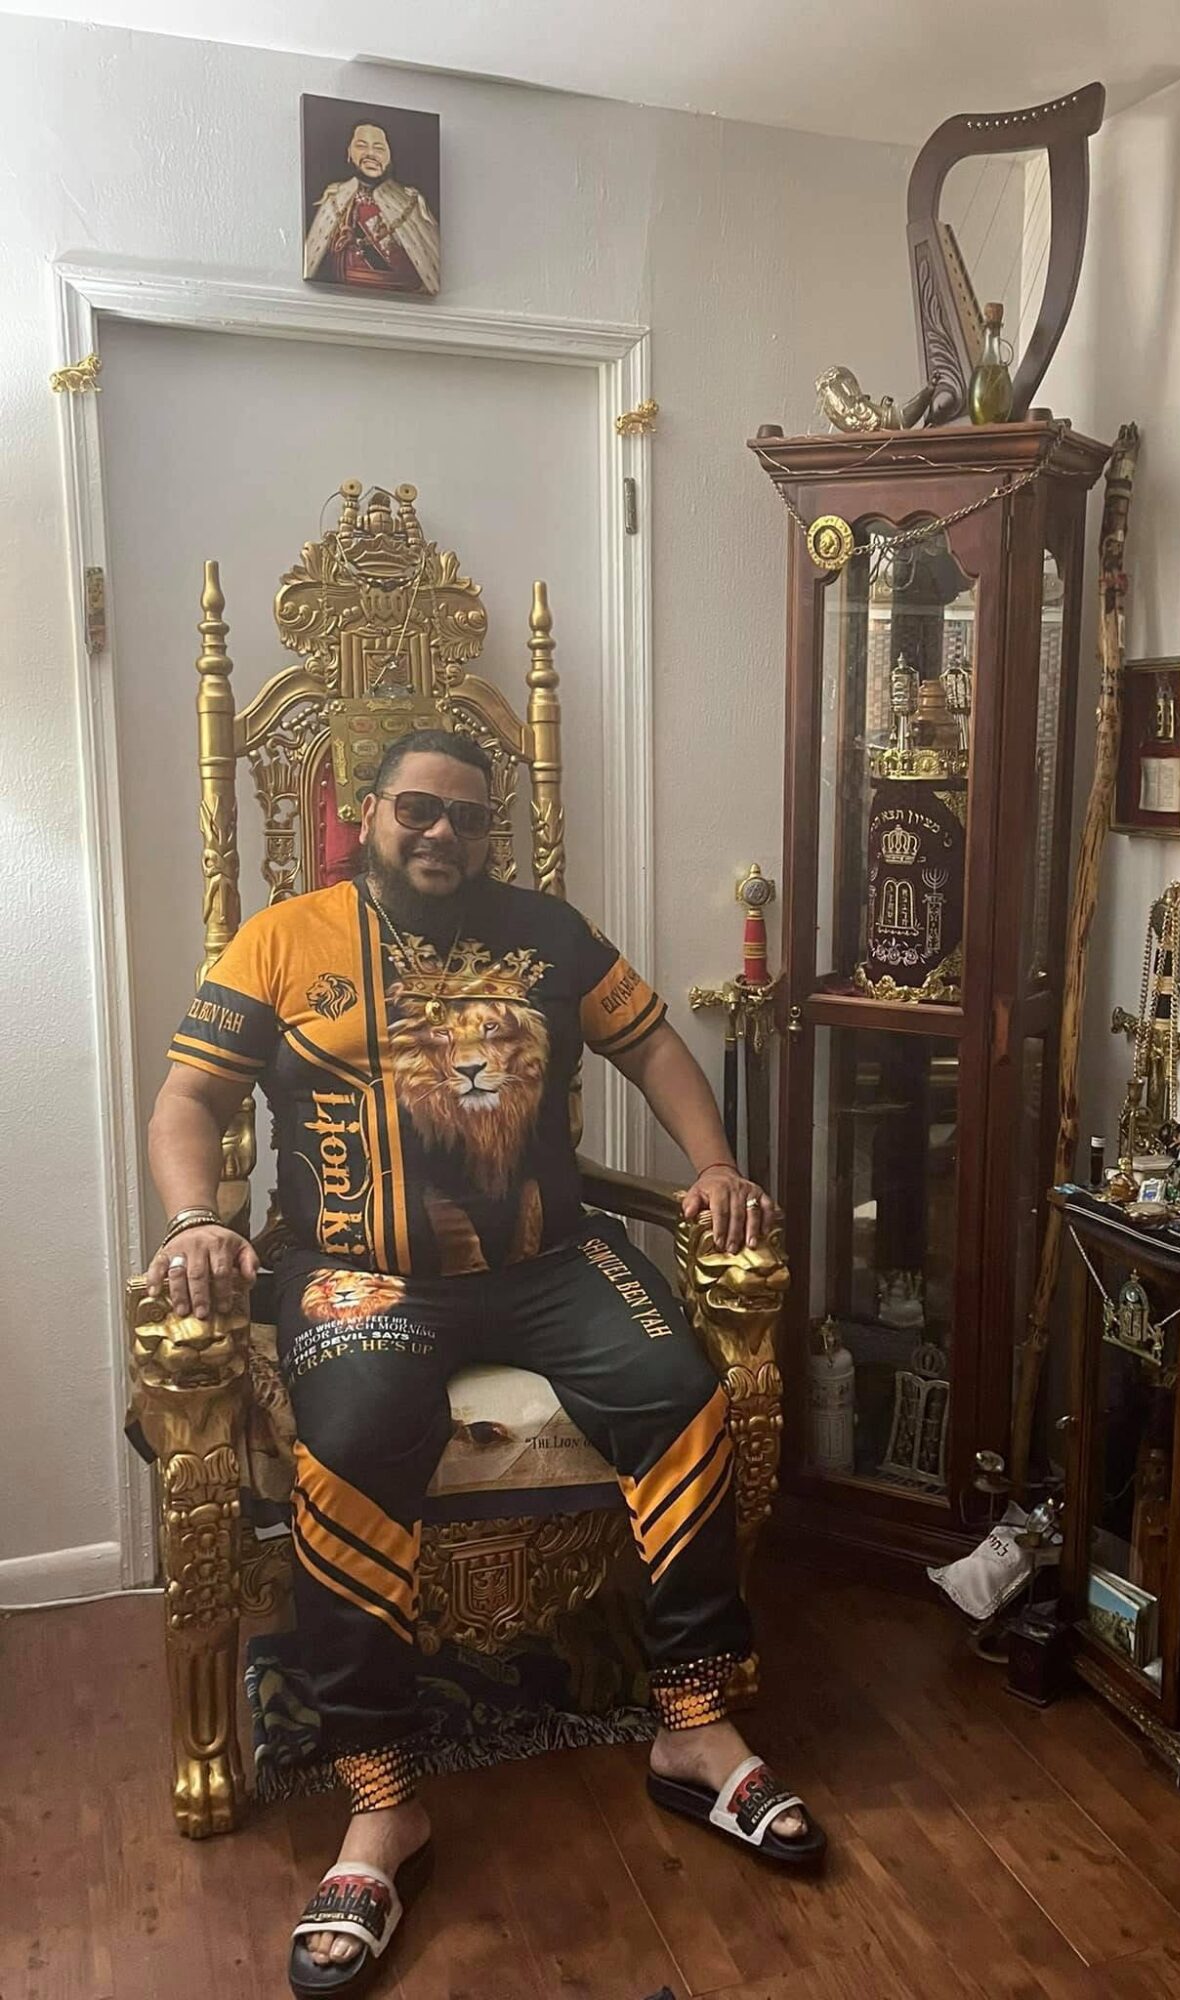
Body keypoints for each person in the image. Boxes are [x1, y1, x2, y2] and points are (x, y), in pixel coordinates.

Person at [146, 730, 823, 1994]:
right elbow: (188, 1100)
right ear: (366, 815)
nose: (441, 834)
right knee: (349, 1440)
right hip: (358, 1272)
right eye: (417, 810)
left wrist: (715, 1163)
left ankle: (692, 1719)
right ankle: (382, 1797)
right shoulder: (282, 938)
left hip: (548, 1260)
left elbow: (658, 1044)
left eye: (467, 816)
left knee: (684, 1392)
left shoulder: (551, 931)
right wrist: (197, 1220)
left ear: (493, 830)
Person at [303, 121, 441, 295]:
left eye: (379, 148)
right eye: (361, 146)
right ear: (349, 152)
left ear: (390, 155)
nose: (370, 154)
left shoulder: (410, 202)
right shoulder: (334, 198)